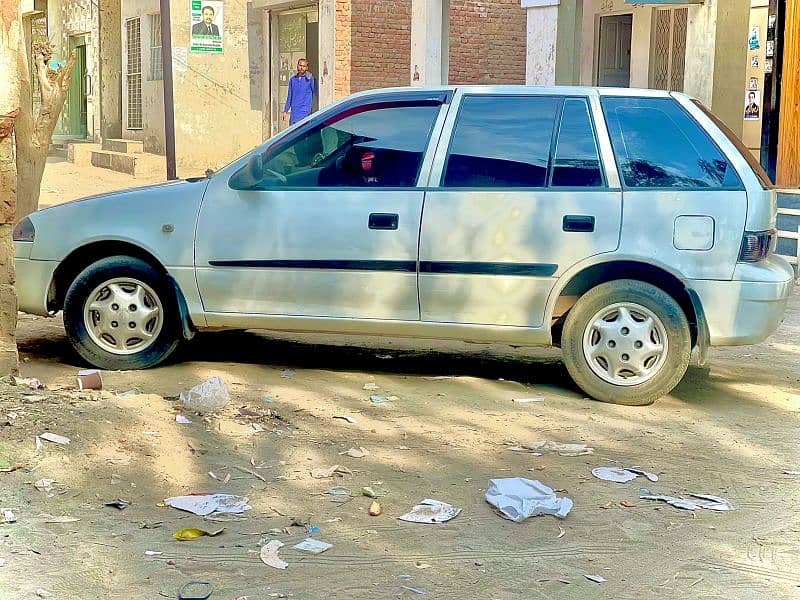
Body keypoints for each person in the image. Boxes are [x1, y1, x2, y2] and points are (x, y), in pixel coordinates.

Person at [282, 59, 316, 125]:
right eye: (300, 65)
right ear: (297, 66)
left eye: (304, 66)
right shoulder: (293, 80)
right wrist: (285, 111)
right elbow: (290, 96)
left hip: (305, 114)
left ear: (306, 68)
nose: (302, 68)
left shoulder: (310, 79)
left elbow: (315, 94)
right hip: (294, 114)